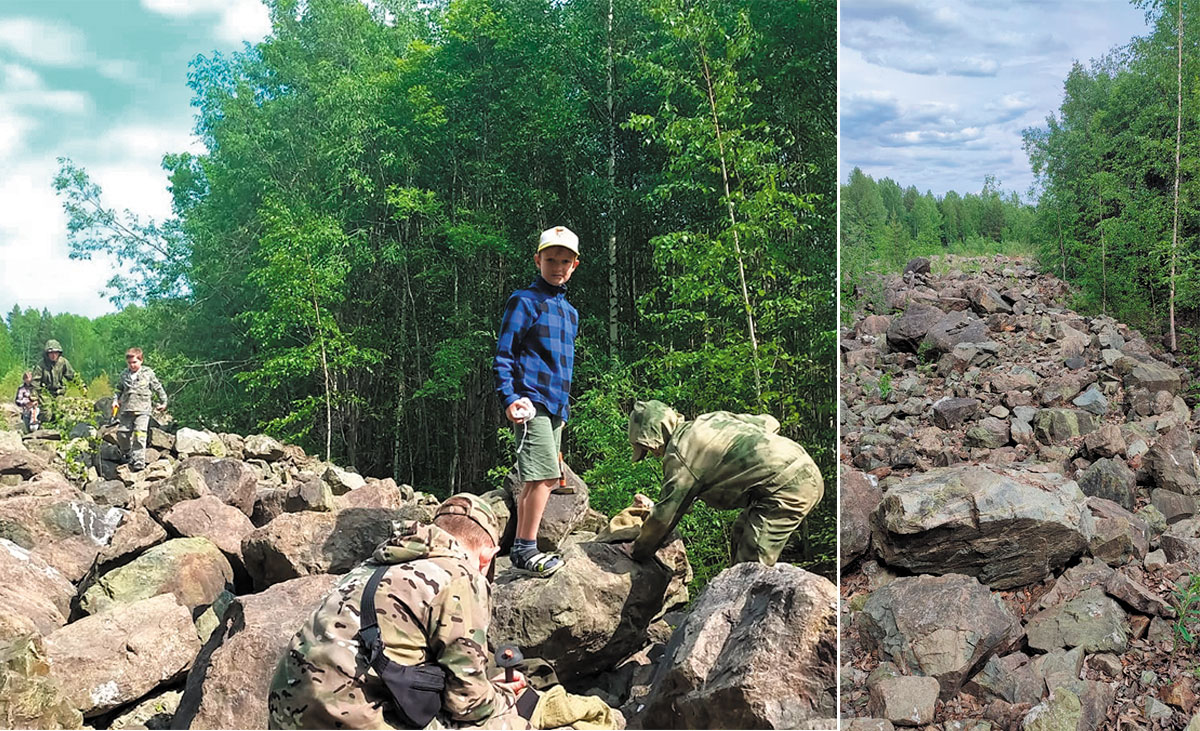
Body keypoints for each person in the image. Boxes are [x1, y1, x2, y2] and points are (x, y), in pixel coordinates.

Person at [268, 494, 534, 730]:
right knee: (508, 722)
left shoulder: (371, 566)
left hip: (285, 713)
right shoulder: (461, 576)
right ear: (489, 555)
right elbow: (467, 703)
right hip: (353, 718)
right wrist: (503, 695)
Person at [626, 400, 825, 566]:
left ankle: (747, 609)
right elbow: (770, 422)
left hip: (789, 488)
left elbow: (664, 517)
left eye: (649, 448)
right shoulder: (712, 419)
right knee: (740, 532)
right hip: (803, 467)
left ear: (656, 433)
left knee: (751, 564)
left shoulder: (680, 452)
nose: (653, 454)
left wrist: (638, 552)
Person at [493, 226, 580, 577]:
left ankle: (521, 548)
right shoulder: (524, 301)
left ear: (574, 265)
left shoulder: (570, 313)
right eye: (550, 260)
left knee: (540, 478)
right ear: (538, 260)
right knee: (543, 477)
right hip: (531, 400)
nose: (556, 266)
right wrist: (510, 396)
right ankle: (527, 549)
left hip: (556, 404)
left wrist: (564, 411)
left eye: (564, 261)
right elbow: (504, 353)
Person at [111, 348, 168, 471]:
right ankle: (127, 453)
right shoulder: (124, 374)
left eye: (134, 362)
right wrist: (115, 400)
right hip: (126, 410)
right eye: (129, 363)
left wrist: (164, 401)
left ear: (141, 360)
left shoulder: (148, 373)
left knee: (139, 435)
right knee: (122, 434)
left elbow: (157, 387)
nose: (132, 365)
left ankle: (139, 461)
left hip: (143, 409)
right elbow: (118, 389)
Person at [31, 339, 85, 426]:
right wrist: (34, 397)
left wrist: (82, 387)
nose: (53, 355)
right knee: (47, 413)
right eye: (51, 353)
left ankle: (58, 430)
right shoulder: (41, 365)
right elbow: (35, 382)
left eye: (56, 352)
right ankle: (44, 429)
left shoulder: (63, 362)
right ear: (47, 354)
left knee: (60, 411)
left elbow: (72, 376)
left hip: (59, 392)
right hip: (45, 393)